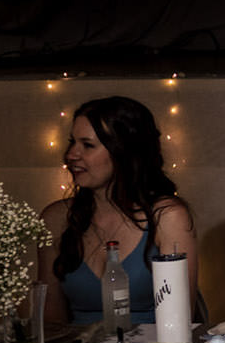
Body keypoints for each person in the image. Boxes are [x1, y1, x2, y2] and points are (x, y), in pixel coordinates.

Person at [39, 97, 200, 325]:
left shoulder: (167, 216)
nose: (71, 154)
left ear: (123, 151)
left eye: (87, 145)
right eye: (71, 142)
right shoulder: (56, 218)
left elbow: (181, 320)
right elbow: (49, 321)